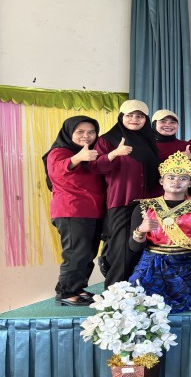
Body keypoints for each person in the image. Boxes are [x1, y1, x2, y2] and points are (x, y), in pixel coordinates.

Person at [128, 151, 191, 313]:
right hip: (153, 263)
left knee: (188, 298)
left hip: (189, 262)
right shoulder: (144, 207)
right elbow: (134, 247)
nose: (176, 182)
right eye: (171, 177)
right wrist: (141, 230)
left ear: (190, 183)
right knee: (138, 298)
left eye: (183, 178)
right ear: (161, 181)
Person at [94, 99, 160, 287]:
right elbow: (95, 168)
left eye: (140, 116)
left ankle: (136, 288)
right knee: (122, 247)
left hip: (147, 203)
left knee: (143, 245)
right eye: (129, 115)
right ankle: (114, 290)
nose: (134, 119)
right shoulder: (107, 140)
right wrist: (114, 154)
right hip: (122, 200)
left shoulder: (148, 139)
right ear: (121, 116)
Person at [43, 116, 106, 306]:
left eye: (91, 132)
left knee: (87, 253)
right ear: (69, 133)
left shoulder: (94, 153)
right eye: (80, 132)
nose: (86, 136)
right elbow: (57, 172)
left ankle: (77, 288)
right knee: (76, 253)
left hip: (92, 210)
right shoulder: (59, 152)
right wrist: (77, 158)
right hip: (71, 211)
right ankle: (66, 292)